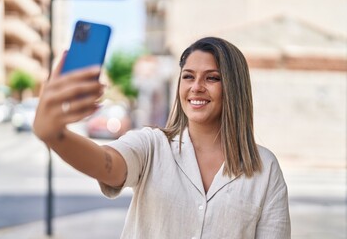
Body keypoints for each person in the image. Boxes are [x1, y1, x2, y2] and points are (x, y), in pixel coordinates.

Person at [33, 37, 291, 239]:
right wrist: (56, 136)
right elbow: (106, 163)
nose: (196, 86)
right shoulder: (152, 146)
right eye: (188, 76)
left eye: (212, 78)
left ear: (234, 89)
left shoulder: (265, 169)